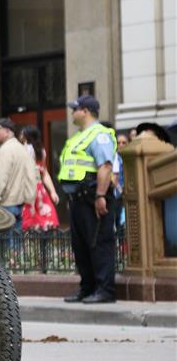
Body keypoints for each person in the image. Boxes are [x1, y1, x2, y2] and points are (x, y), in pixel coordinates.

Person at [58, 95, 117, 304]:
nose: (72, 112)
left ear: (85, 111)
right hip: (77, 199)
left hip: (93, 196)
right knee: (81, 245)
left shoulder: (99, 135)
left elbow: (106, 167)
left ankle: (105, 290)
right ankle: (88, 287)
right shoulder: (79, 137)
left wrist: (101, 196)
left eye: (75, 109)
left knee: (98, 243)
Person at [0, 118, 37, 228]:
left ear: (8, 131)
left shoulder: (5, 151)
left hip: (5, 205)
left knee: (5, 243)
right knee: (16, 241)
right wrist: (29, 199)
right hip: (18, 205)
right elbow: (32, 177)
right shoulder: (22, 149)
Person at [20, 125, 60, 231]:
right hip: (39, 188)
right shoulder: (41, 151)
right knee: (43, 219)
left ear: (25, 136)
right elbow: (45, 173)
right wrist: (53, 191)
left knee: (29, 220)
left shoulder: (24, 149)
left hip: (27, 187)